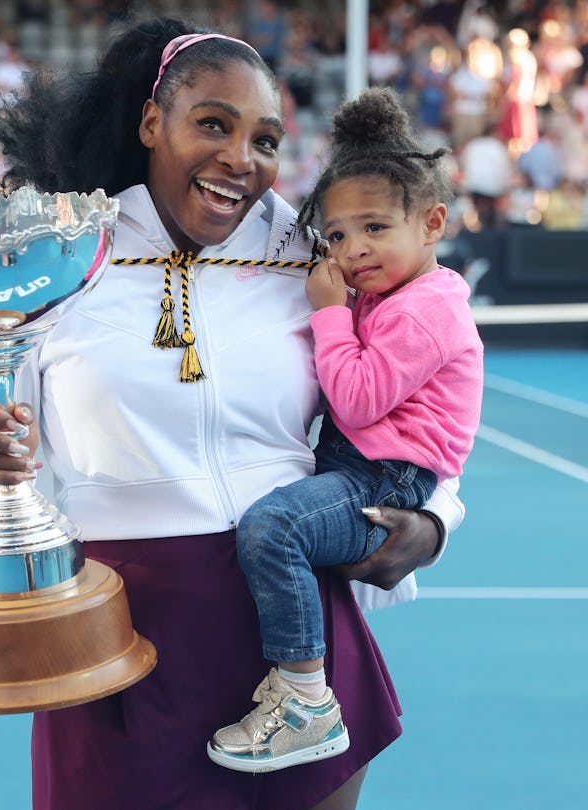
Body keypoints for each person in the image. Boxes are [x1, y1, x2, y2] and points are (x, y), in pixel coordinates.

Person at [0, 18, 466, 810]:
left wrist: (434, 520)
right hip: (122, 639)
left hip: (295, 647)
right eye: (213, 125)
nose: (241, 158)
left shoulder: (312, 257)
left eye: (266, 139)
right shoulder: (52, 257)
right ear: (152, 122)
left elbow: (424, 392)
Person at [208, 87, 483, 774]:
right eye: (335, 236)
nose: (352, 251)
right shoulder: (396, 296)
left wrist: (330, 312)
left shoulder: (423, 310)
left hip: (383, 477)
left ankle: (305, 699)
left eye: (375, 229)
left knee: (276, 529)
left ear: (432, 223)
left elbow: (357, 401)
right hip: (363, 465)